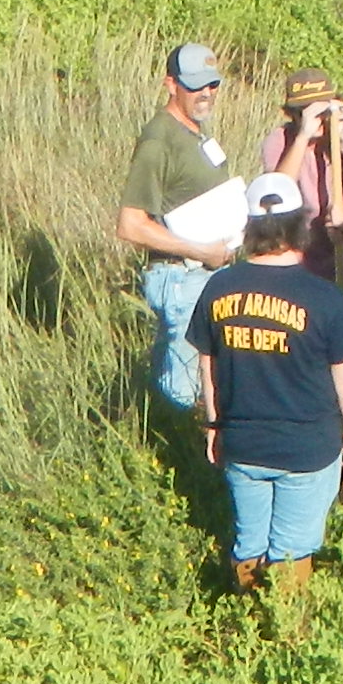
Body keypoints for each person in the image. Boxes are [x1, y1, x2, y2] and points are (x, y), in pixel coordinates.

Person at [188, 177, 343, 605]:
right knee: (292, 550)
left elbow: (207, 363)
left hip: (243, 443)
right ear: (300, 228)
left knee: (249, 543)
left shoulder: (219, 287)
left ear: (250, 228)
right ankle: (285, 636)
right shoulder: (323, 298)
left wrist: (214, 424)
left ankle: (248, 621)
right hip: (307, 448)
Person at [115, 41, 251, 411]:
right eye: (195, 85)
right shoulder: (159, 139)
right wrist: (201, 250)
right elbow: (131, 225)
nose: (205, 93)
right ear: (170, 84)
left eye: (212, 84)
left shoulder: (195, 132)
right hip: (182, 279)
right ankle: (170, 456)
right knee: (184, 393)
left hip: (204, 276)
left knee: (202, 384)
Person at [266, 66, 343, 298]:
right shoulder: (280, 140)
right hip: (303, 267)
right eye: (304, 111)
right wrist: (303, 137)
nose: (318, 119)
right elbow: (276, 193)